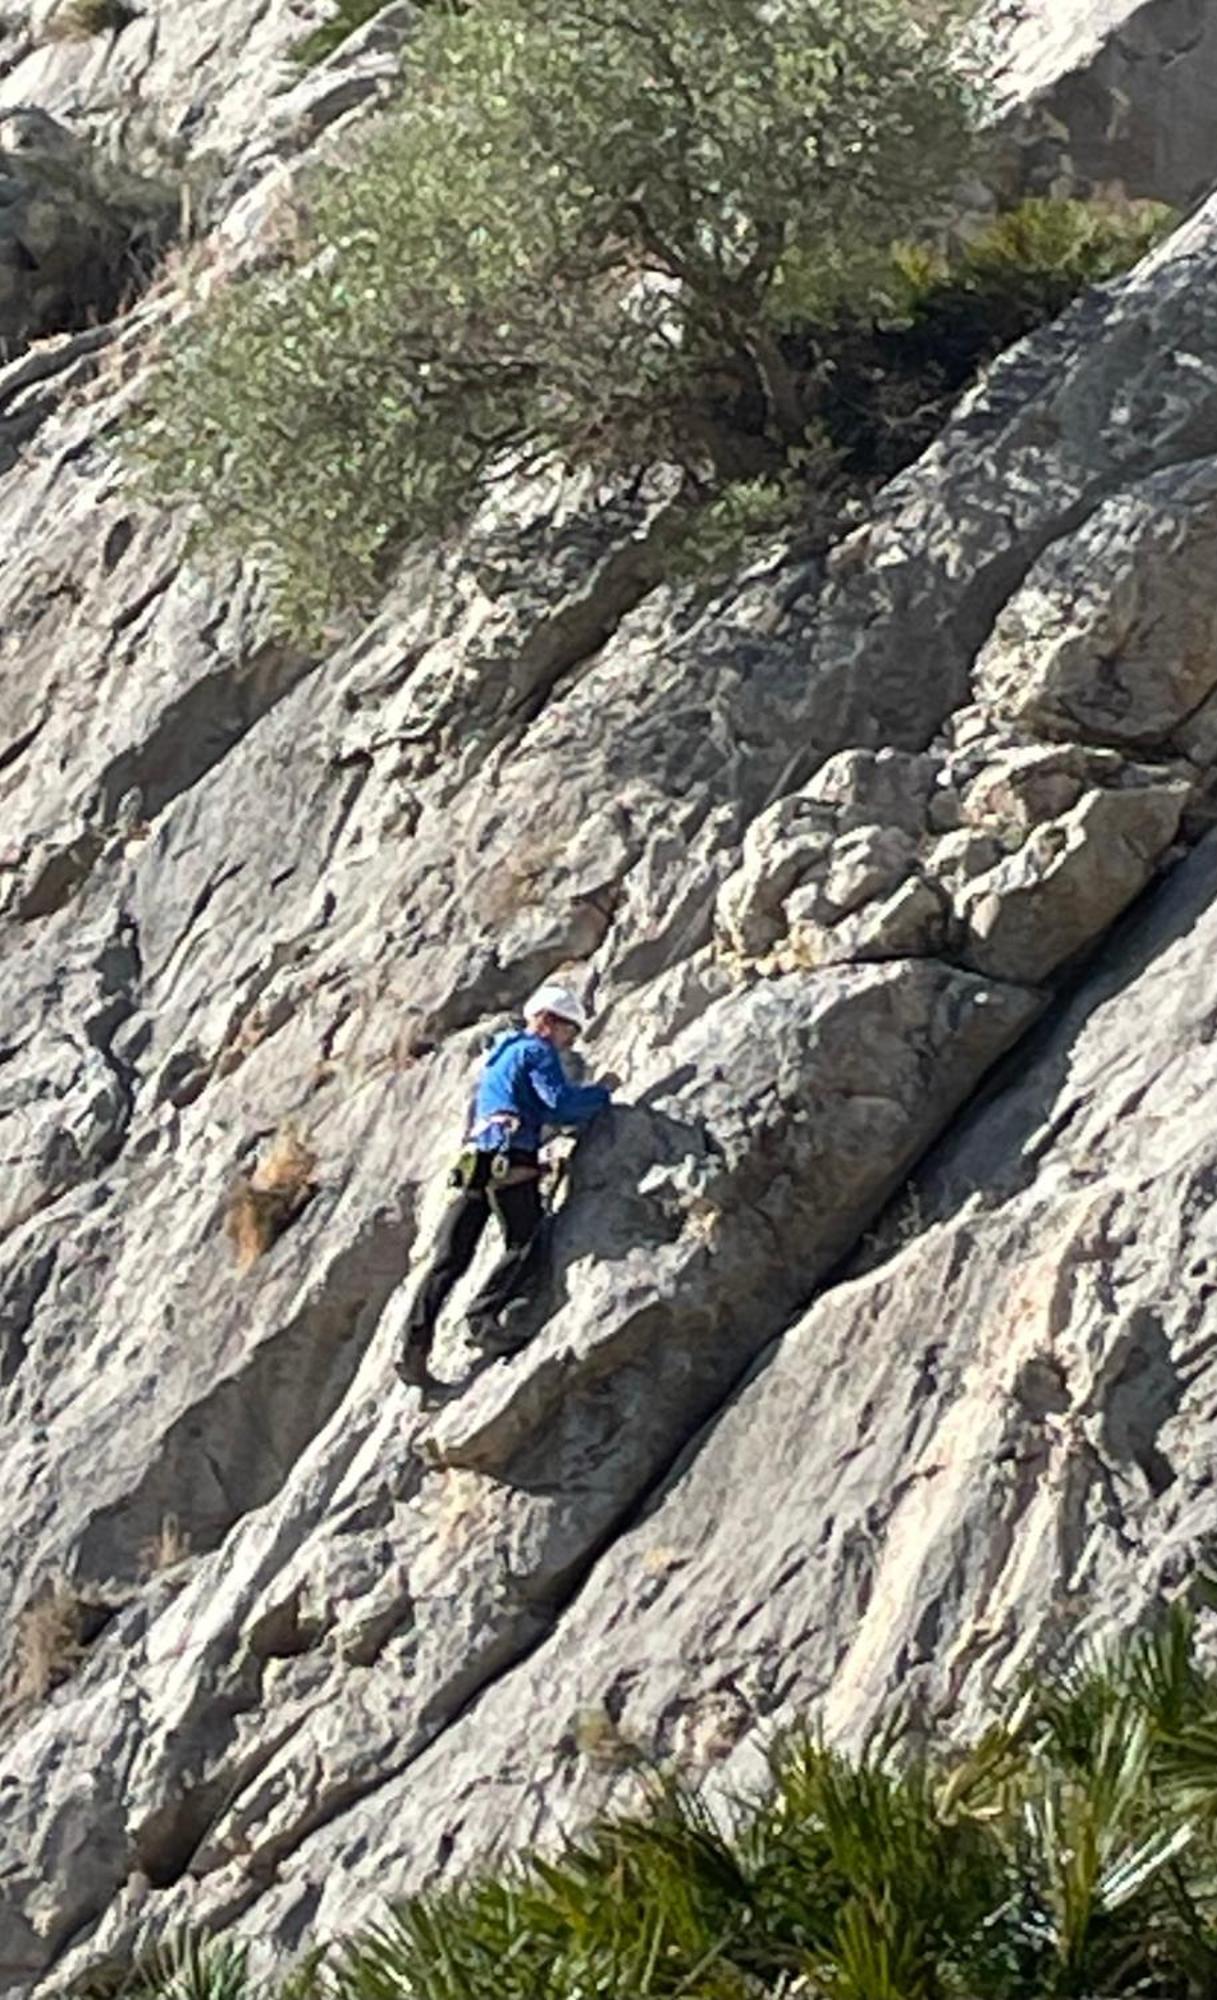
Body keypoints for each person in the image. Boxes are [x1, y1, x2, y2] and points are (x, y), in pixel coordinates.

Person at [396, 983, 613, 1393]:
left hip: (477, 1162)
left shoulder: (500, 1056)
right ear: (548, 1022)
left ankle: (412, 1346)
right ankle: (483, 1318)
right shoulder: (536, 1051)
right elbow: (559, 1105)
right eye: (569, 1030)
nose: (570, 1041)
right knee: (526, 1239)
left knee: (450, 1258)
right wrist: (602, 1094)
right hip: (510, 1160)